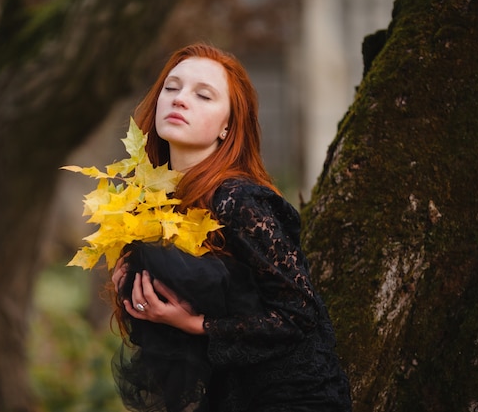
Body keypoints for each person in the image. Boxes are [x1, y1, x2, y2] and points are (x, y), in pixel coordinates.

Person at [110, 43, 352, 412]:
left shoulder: (238, 201)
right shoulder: (154, 205)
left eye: (203, 95)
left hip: (291, 398)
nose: (180, 99)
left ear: (227, 127)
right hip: (230, 396)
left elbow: (299, 315)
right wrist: (138, 296)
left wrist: (197, 324)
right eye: (171, 88)